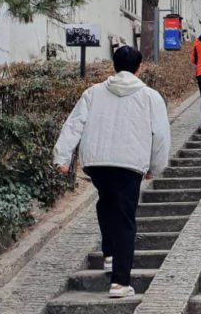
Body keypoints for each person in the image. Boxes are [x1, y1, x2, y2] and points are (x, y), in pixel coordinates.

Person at [53, 46, 170, 298]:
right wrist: (155, 166)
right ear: (139, 68)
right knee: (125, 217)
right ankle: (119, 281)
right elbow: (160, 135)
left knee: (106, 203)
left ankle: (109, 254)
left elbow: (74, 125)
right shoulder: (150, 97)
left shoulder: (93, 93)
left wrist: (62, 157)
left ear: (113, 66)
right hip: (129, 163)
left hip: (98, 161)